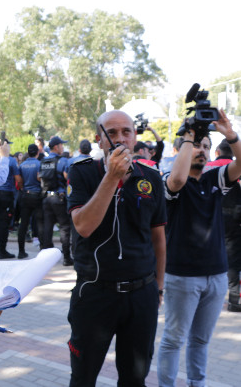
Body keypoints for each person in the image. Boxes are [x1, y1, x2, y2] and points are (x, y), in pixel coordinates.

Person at [66, 110, 166, 386]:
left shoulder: (152, 178)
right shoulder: (83, 172)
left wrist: (157, 287)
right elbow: (83, 226)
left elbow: (158, 237)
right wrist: (110, 178)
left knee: (135, 378)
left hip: (141, 294)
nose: (120, 138)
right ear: (99, 139)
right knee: (83, 377)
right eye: (111, 133)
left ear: (135, 137)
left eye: (126, 132)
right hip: (96, 293)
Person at [157, 110, 241, 387]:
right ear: (180, 149)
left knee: (201, 340)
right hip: (182, 277)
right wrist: (189, 137)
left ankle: (197, 383)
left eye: (206, 146)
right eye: (196, 146)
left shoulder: (213, 179)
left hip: (216, 276)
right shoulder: (169, 180)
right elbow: (178, 182)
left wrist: (231, 135)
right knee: (173, 339)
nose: (201, 151)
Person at [205, 139, 241, 312]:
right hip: (234, 217)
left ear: (217, 151)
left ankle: (206, 295)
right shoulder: (236, 167)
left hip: (210, 217)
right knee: (233, 260)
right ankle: (234, 300)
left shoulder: (208, 166)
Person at [40, 135, 72, 265]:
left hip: (46, 197)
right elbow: (67, 177)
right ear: (56, 147)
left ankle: (47, 258)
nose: (63, 147)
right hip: (59, 197)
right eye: (61, 145)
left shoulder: (43, 161)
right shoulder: (62, 161)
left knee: (48, 226)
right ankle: (66, 258)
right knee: (64, 227)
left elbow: (39, 177)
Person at [0, 139, 22, 259]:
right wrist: (21, 188)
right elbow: (18, 179)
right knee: (4, 223)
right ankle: (2, 250)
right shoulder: (11, 161)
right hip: (6, 194)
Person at [16, 144, 44, 259]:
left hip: (25, 195)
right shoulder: (39, 164)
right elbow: (39, 178)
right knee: (40, 223)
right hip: (37, 196)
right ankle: (43, 251)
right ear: (37, 153)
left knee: (23, 224)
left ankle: (21, 251)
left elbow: (19, 181)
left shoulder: (22, 165)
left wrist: (23, 188)